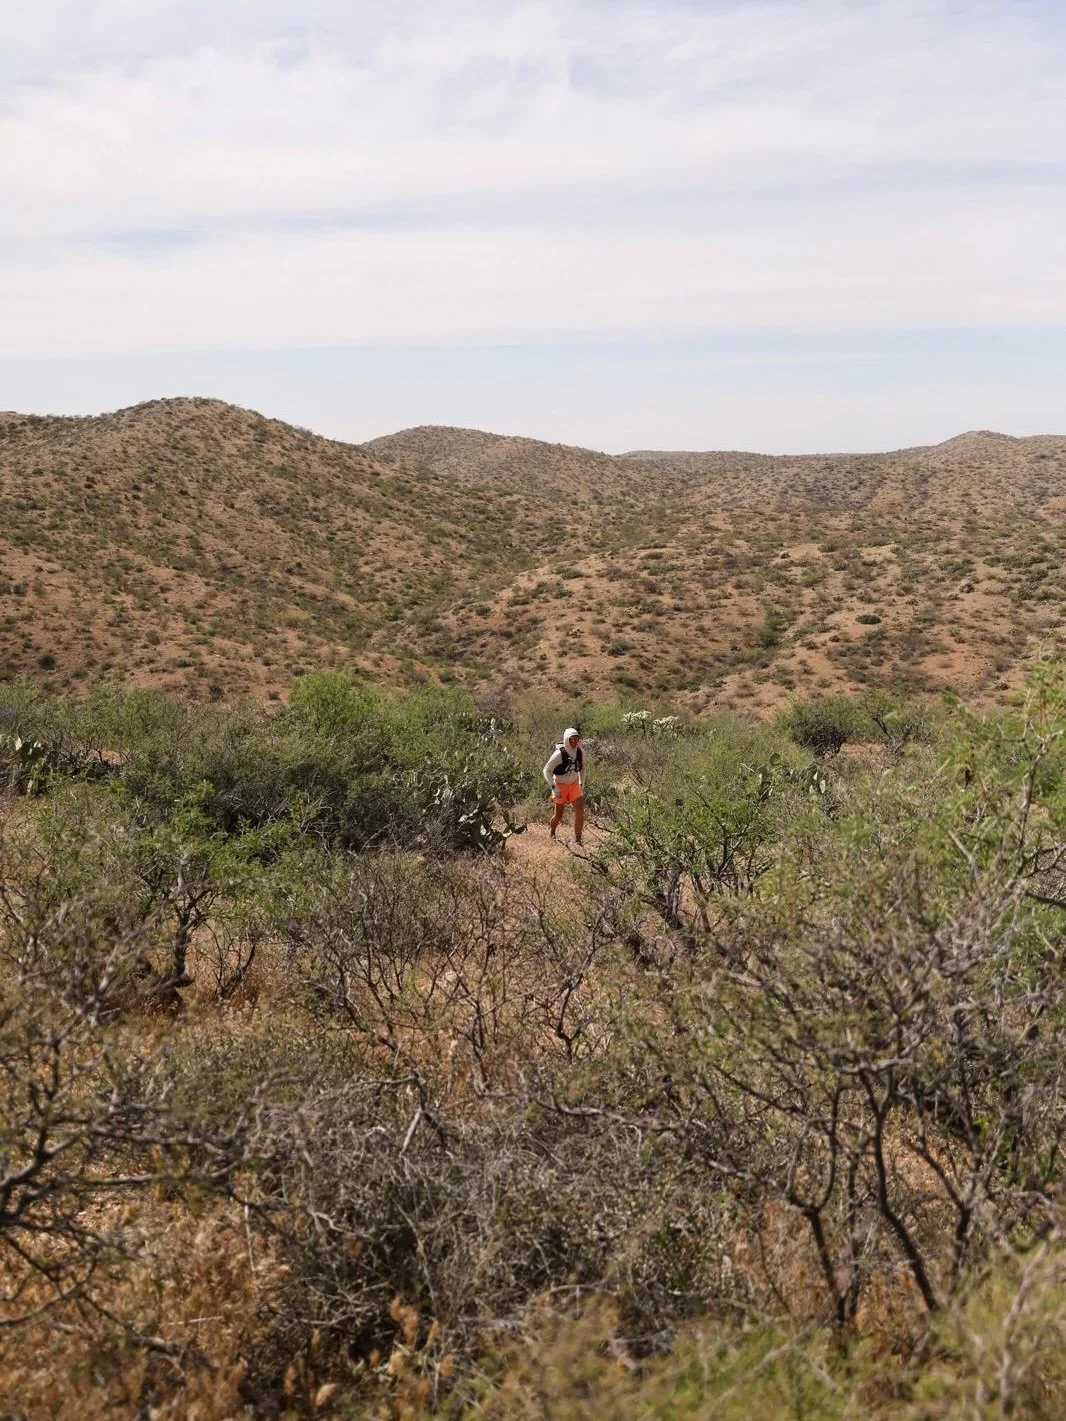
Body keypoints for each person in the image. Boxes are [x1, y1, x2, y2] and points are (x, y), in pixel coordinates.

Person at [543, 727, 584, 846]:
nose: (575, 741)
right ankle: (552, 831)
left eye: (577, 738)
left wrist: (582, 782)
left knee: (580, 812)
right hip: (560, 785)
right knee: (558, 815)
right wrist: (554, 787)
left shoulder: (580, 752)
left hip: (574, 784)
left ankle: (578, 840)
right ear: (567, 740)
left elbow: (583, 768)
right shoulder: (558, 754)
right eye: (572, 739)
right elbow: (546, 770)